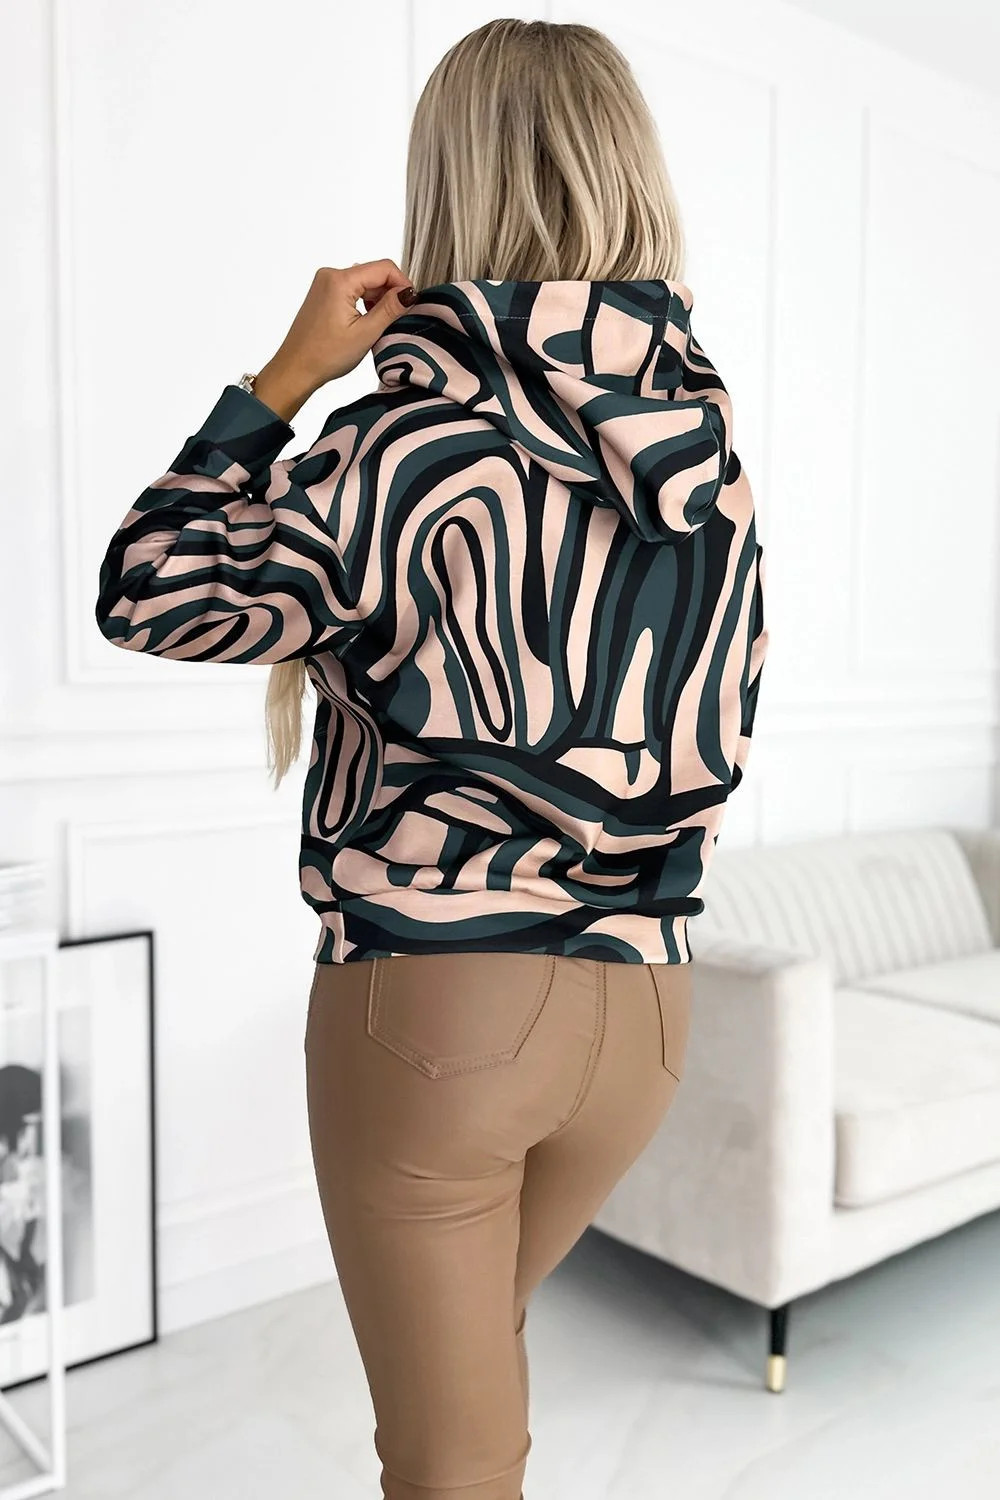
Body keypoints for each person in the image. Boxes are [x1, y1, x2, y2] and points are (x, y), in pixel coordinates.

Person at [94, 18, 768, 1499]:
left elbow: (148, 589)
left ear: (448, 184)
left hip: (442, 1019)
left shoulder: (406, 446)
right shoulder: (705, 450)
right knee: (469, 1399)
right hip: (649, 1011)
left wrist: (283, 379)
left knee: (450, 1471)